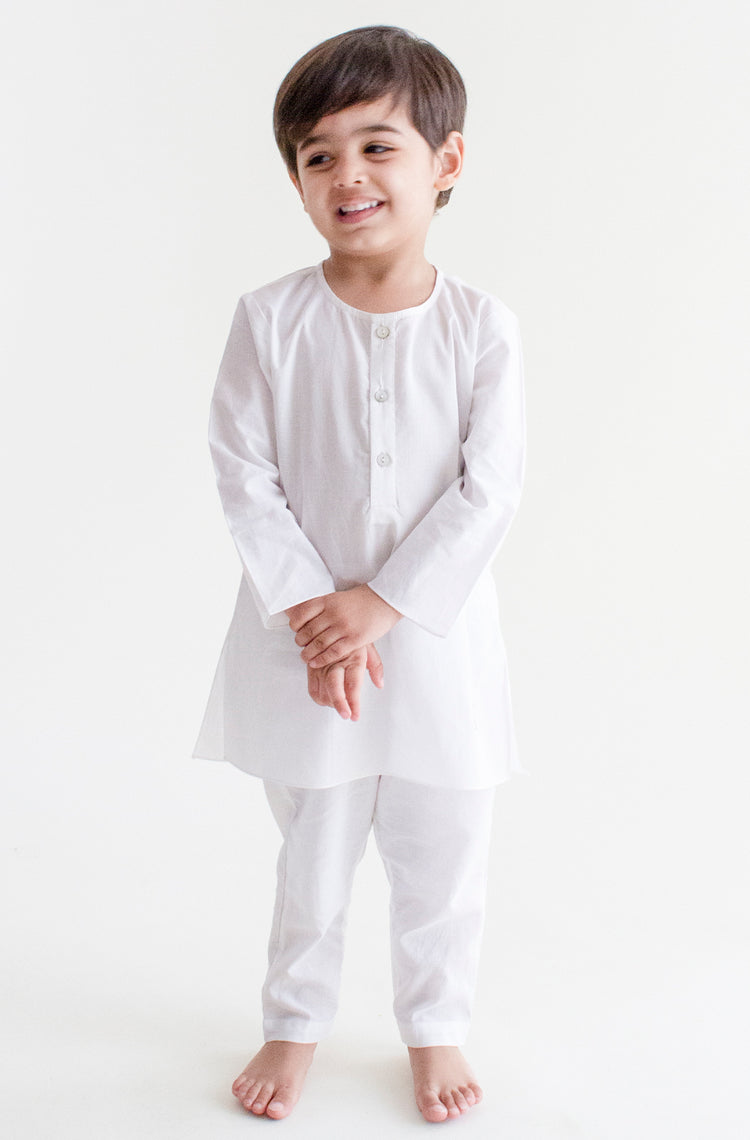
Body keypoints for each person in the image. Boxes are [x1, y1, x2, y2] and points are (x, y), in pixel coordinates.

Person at [193, 25, 526, 1124]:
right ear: (296, 180)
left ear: (446, 161)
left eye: (378, 146)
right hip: (306, 653)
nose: (349, 175)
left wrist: (380, 606)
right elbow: (244, 472)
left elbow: (489, 490)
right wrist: (315, 615)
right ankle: (294, 1020)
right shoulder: (269, 319)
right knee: (314, 849)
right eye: (318, 155)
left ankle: (436, 1024)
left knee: (445, 847)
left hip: (435, 645)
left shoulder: (482, 328)